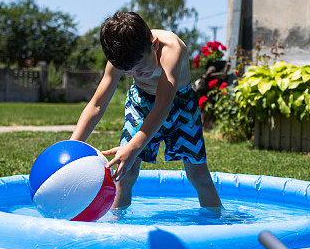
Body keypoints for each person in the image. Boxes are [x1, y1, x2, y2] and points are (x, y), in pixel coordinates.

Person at [70, 11, 222, 213]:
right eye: (129, 73)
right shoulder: (121, 56)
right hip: (141, 101)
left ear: (154, 44)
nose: (136, 75)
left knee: (198, 174)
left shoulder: (172, 49)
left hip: (180, 103)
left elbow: (163, 106)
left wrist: (132, 148)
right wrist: (72, 147)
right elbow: (97, 104)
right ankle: (118, 225)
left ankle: (215, 221)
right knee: (125, 174)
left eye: (140, 69)